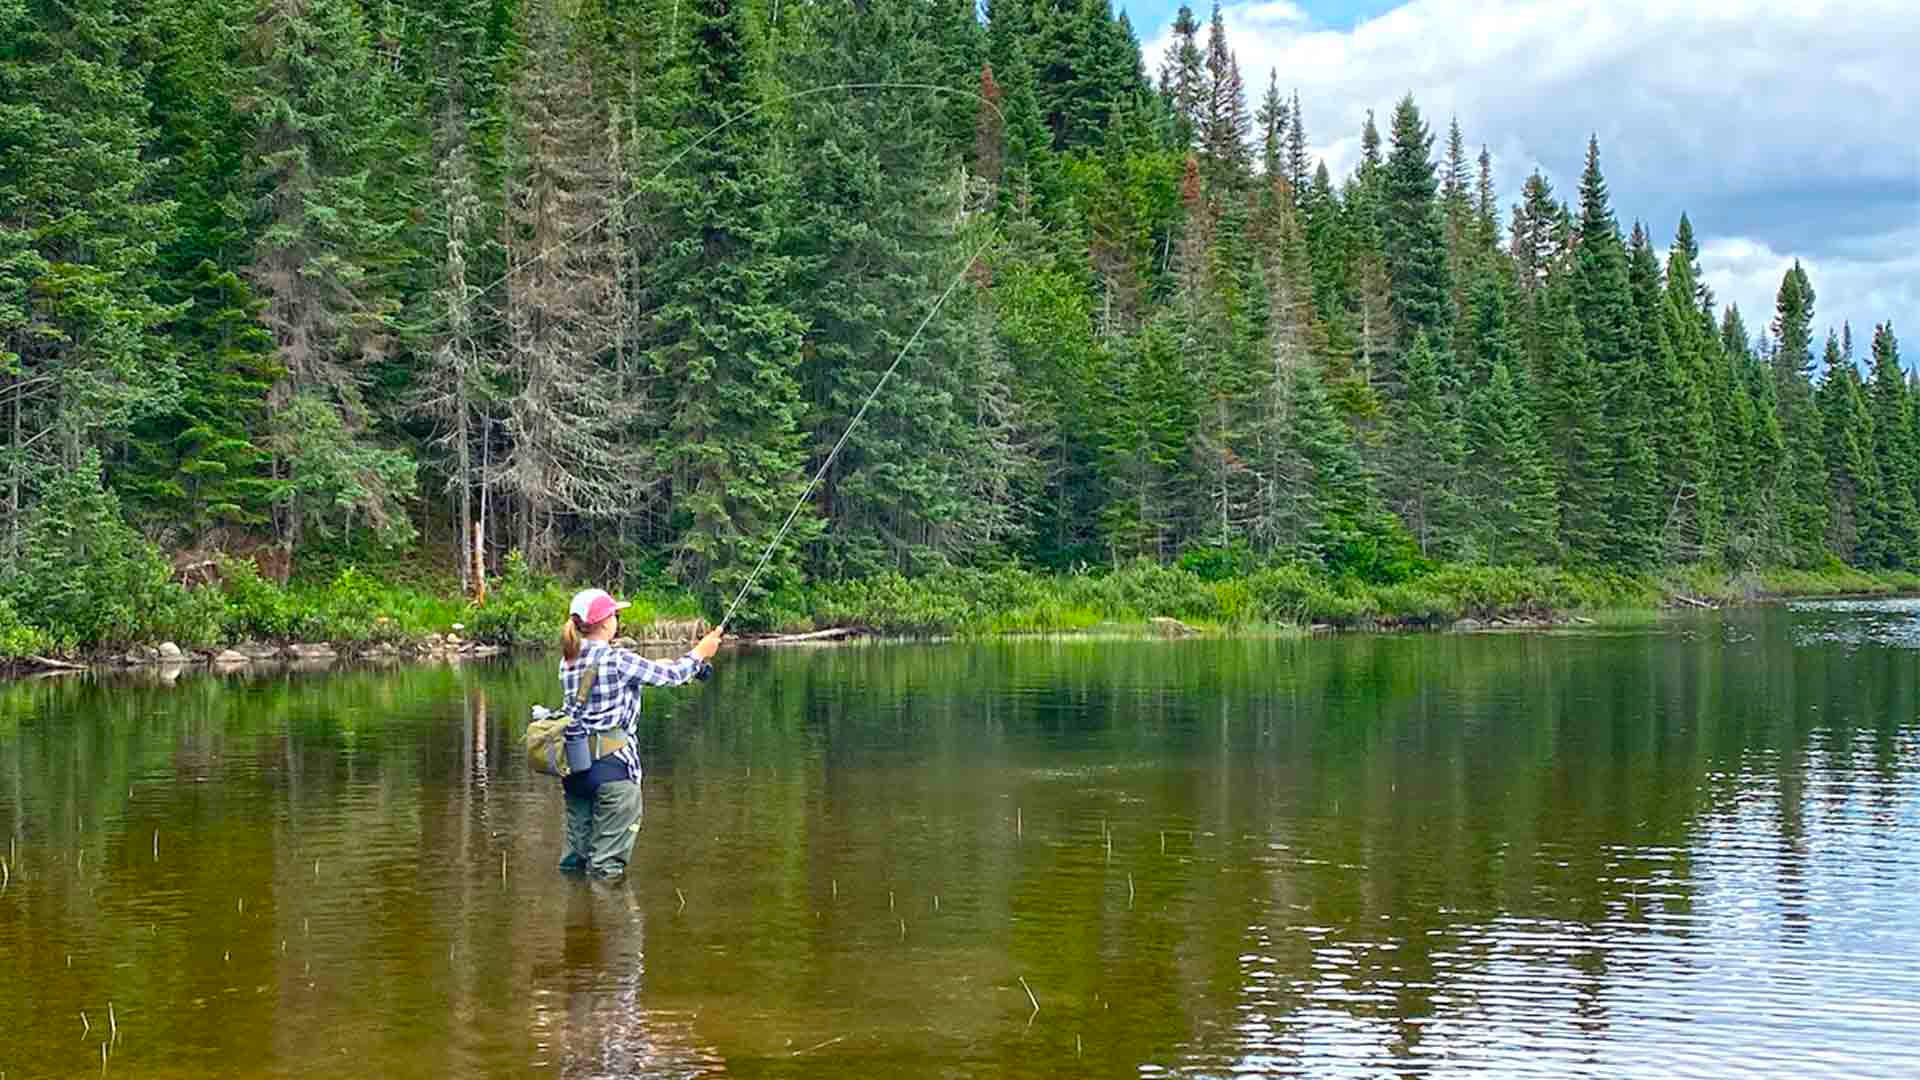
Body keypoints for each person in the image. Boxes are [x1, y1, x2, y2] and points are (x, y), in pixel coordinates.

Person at [554, 588, 722, 880]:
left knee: (575, 863)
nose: (617, 620)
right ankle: (610, 922)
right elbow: (670, 677)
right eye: (615, 615)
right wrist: (700, 653)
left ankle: (577, 919)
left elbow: (653, 670)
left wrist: (682, 664)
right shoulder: (618, 659)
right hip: (614, 773)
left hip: (576, 770)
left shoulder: (567, 661)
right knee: (607, 870)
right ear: (606, 623)